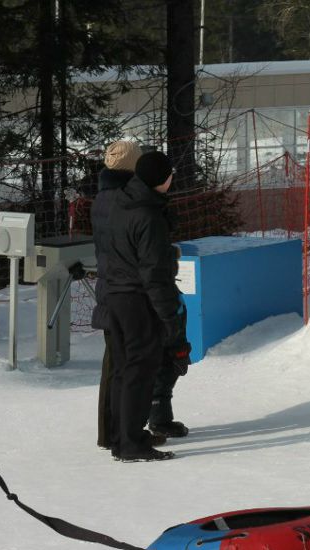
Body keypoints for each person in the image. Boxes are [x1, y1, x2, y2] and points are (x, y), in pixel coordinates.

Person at [96, 150, 187, 462]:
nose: (172, 179)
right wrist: (170, 314)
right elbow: (155, 273)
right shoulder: (148, 215)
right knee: (140, 370)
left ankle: (123, 438)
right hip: (138, 299)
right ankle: (132, 442)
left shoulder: (124, 202)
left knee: (124, 368)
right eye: (170, 174)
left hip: (116, 295)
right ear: (161, 180)